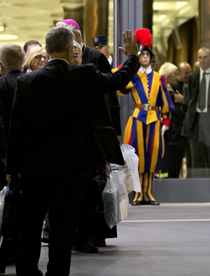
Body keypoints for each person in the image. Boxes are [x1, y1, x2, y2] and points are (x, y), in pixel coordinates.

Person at [5, 26, 139, 276]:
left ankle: (27, 271)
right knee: (63, 226)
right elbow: (119, 80)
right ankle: (57, 272)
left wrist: (12, 168)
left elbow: (17, 129)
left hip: (34, 167)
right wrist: (132, 56)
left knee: (31, 224)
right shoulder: (84, 75)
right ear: (70, 49)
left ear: (47, 49)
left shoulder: (26, 81)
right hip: (72, 167)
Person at [58, 18, 122, 250]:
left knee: (95, 187)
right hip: (71, 138)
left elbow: (111, 94)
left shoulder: (96, 58)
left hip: (95, 133)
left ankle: (93, 233)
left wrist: (115, 132)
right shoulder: (60, 62)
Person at [118, 28, 174, 205]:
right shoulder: (133, 76)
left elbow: (165, 101)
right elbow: (119, 85)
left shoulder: (159, 78)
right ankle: (137, 193)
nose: (144, 58)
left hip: (154, 119)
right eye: (141, 55)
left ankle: (148, 193)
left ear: (151, 57)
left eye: (146, 55)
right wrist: (128, 61)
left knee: (152, 156)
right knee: (137, 157)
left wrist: (165, 121)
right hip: (137, 119)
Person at [0, 43, 24, 273]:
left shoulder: (1, 84)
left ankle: (3, 252)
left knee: (3, 206)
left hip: (4, 157)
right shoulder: (32, 83)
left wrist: (4, 155)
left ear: (1, 65)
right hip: (28, 156)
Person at [181, 47, 210, 177]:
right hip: (196, 120)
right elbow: (192, 100)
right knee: (196, 157)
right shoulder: (193, 77)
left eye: (205, 57)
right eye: (200, 57)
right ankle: (196, 189)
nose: (203, 60)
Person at [159, 62, 187, 178]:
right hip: (171, 134)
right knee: (172, 166)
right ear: (170, 75)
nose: (177, 77)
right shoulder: (167, 91)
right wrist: (183, 103)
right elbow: (175, 111)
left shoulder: (171, 89)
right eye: (176, 74)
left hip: (171, 134)